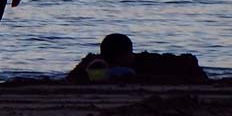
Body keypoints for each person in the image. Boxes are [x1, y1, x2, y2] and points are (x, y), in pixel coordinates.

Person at [66, 33, 209, 83]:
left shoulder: (149, 62)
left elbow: (188, 64)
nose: (132, 56)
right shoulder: (95, 63)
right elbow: (73, 78)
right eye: (129, 53)